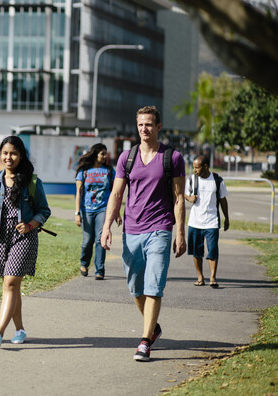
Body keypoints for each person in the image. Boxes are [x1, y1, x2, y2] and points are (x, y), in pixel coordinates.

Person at [101, 105, 186, 362]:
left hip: (160, 228)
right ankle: (154, 328)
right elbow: (116, 194)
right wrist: (106, 226)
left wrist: (180, 233)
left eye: (148, 124)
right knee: (135, 287)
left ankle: (145, 341)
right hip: (132, 229)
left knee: (154, 286)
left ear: (158, 127)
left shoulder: (172, 157)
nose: (144, 129)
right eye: (140, 125)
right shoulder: (127, 157)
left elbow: (180, 198)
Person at [0, 136, 51, 347]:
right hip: (0, 238)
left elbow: (44, 210)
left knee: (10, 283)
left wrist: (30, 225)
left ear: (21, 156)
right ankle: (19, 330)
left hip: (23, 238)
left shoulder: (32, 182)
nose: (8, 157)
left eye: (13, 153)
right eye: (5, 153)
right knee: (12, 285)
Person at [74, 143, 121, 280]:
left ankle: (99, 270)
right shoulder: (84, 171)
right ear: (95, 154)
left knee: (101, 239)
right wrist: (77, 213)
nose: (105, 156)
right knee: (87, 240)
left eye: (106, 153)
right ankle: (84, 263)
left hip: (103, 209)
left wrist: (117, 212)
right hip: (87, 210)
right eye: (102, 154)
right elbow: (79, 192)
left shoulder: (109, 171)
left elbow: (114, 193)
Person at [184, 155, 230, 288]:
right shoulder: (192, 179)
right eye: (193, 167)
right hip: (195, 222)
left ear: (205, 166)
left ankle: (213, 277)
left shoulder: (217, 180)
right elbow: (184, 193)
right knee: (197, 252)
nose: (194, 170)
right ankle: (200, 277)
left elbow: (223, 199)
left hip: (212, 222)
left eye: (197, 167)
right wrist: (189, 198)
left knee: (213, 250)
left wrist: (226, 217)